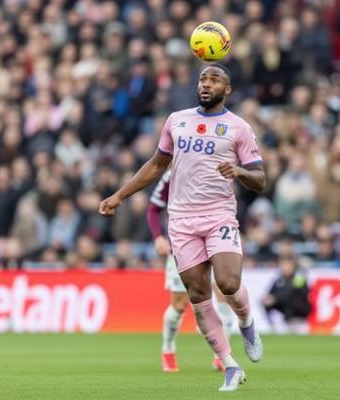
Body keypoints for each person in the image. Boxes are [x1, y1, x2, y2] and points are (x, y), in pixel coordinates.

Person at [100, 64, 265, 392]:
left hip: (218, 215)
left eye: (214, 80)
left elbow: (259, 179)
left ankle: (247, 322)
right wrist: (119, 195)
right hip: (181, 221)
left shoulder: (239, 128)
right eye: (203, 79)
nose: (206, 84)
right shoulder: (177, 120)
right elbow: (156, 165)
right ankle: (230, 365)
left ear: (227, 90)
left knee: (228, 283)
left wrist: (239, 171)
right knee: (198, 296)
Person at [146, 169, 234, 372]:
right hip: (182, 246)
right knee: (179, 305)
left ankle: (222, 355)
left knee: (224, 294)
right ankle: (168, 349)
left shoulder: (215, 171)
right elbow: (153, 210)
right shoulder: (172, 176)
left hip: (213, 243)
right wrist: (158, 237)